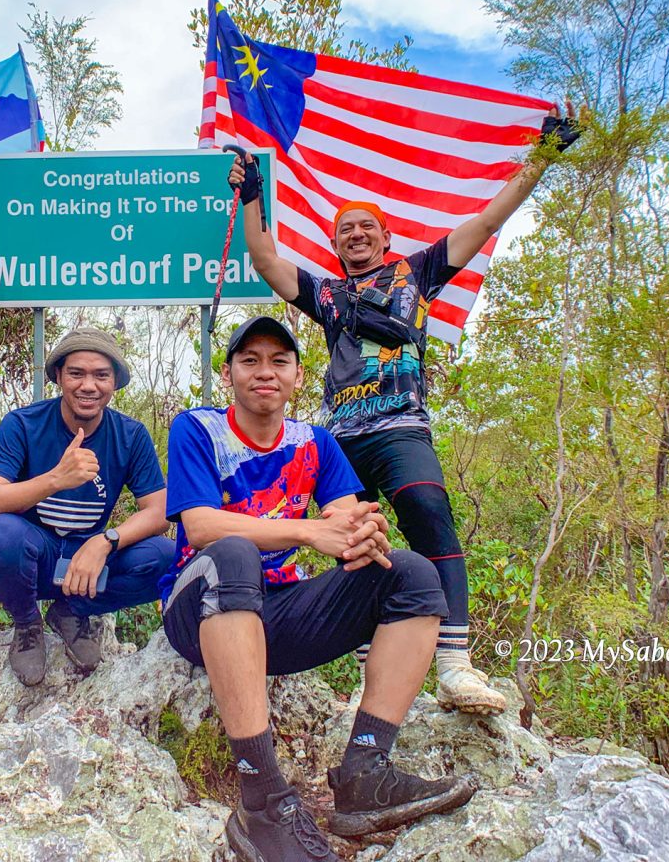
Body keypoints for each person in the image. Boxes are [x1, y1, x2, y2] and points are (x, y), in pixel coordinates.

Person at [231, 109, 582, 716]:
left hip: (400, 429)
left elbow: (490, 219)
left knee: (425, 510)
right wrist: (253, 195)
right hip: (339, 437)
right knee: (357, 546)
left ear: (387, 239)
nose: (356, 235)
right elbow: (265, 259)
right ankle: (373, 679)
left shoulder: (417, 275)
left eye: (367, 227)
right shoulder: (329, 295)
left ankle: (455, 667)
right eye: (346, 231)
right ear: (337, 245)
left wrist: (543, 157)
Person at [160, 316, 474, 861]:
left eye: (279, 361)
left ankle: (365, 772)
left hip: (277, 614)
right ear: (229, 372)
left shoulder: (317, 443)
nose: (265, 372)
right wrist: (310, 530)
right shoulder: (197, 428)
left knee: (411, 573)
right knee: (233, 552)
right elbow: (201, 527)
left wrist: (362, 532)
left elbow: (348, 520)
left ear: (299, 377)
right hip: (202, 610)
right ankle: (260, 801)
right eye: (250, 361)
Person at [0, 327, 175, 686]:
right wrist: (55, 479)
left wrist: (106, 541)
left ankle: (71, 613)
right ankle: (27, 624)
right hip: (34, 555)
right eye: (76, 373)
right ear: (59, 377)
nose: (88, 386)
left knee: (168, 556)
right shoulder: (23, 424)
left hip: (87, 563)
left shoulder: (130, 435)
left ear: (115, 383)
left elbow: (159, 512)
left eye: (101, 375)